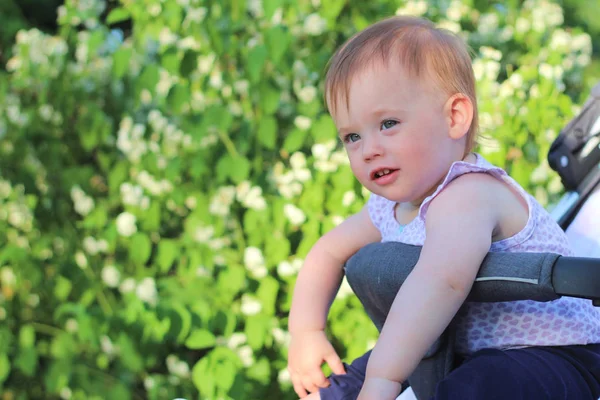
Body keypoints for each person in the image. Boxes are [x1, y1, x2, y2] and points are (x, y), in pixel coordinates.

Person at [287, 15, 600, 400]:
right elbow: (328, 252)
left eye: (388, 123)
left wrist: (383, 381)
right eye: (352, 136)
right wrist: (307, 332)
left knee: (470, 385)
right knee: (343, 387)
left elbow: (441, 280)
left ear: (454, 117)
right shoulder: (391, 207)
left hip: (551, 358)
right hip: (454, 351)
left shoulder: (470, 193)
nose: (368, 149)